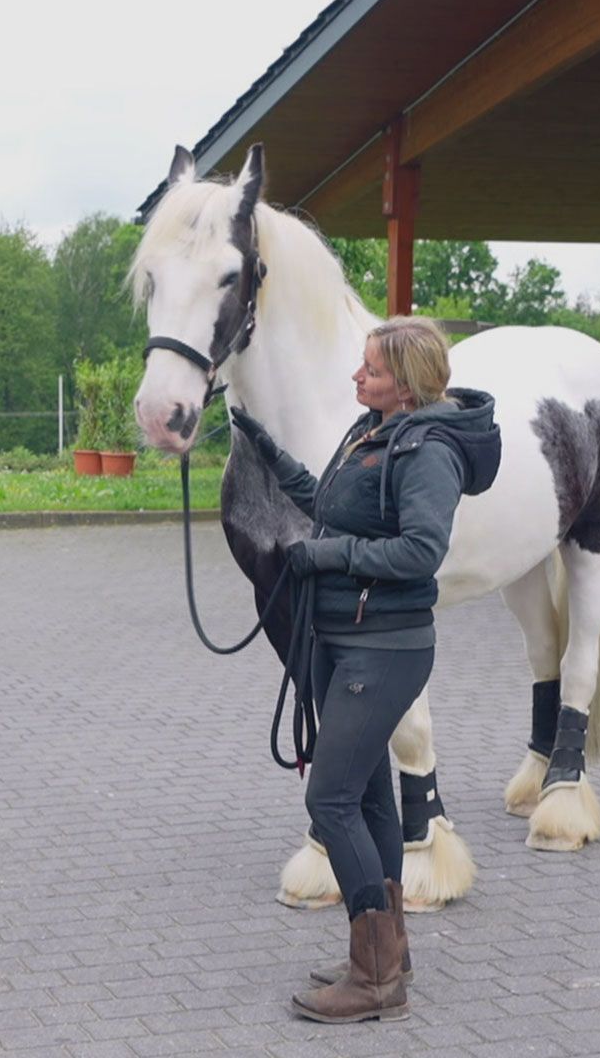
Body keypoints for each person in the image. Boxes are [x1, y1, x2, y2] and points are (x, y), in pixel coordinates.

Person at [231, 317, 500, 1024]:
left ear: (407, 383)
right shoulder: (373, 432)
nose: (358, 378)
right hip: (345, 639)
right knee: (372, 799)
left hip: (383, 648)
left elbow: (420, 552)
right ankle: (389, 953)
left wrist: (330, 559)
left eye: (372, 371)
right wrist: (269, 454)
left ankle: (375, 976)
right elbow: (331, 507)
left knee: (331, 802)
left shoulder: (429, 451)